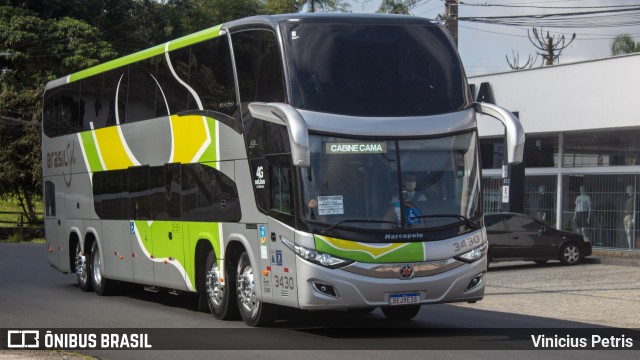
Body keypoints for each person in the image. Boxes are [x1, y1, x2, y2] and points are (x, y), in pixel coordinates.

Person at [623, 185, 636, 250]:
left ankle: (630, 248)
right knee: (627, 232)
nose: (626, 190)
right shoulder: (628, 198)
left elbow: (635, 209)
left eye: (627, 188)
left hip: (630, 216)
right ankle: (629, 247)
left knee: (629, 232)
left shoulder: (633, 198)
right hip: (626, 216)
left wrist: (634, 217)